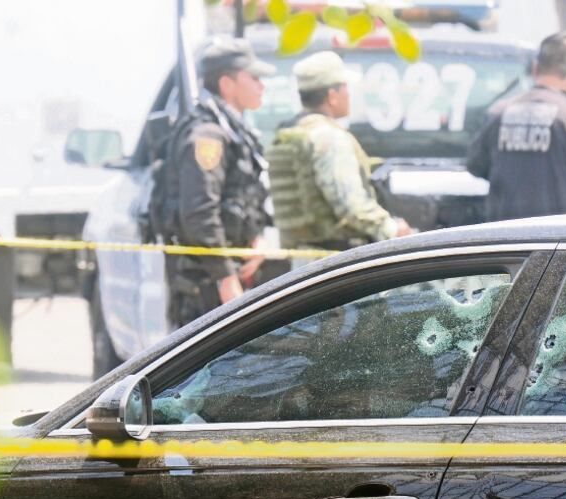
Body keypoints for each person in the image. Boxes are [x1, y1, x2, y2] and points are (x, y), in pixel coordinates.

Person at [161, 38, 275, 328]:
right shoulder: (208, 135)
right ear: (227, 84)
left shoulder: (234, 129)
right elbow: (200, 213)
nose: (262, 86)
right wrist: (226, 278)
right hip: (209, 287)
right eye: (254, 78)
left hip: (231, 278)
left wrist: (257, 240)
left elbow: (245, 195)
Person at [266, 51, 411, 255]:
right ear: (332, 97)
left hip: (301, 264)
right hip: (337, 264)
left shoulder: (290, 135)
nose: (349, 94)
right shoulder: (329, 138)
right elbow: (351, 206)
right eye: (345, 88)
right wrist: (392, 230)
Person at [467, 31, 566, 222]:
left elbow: (475, 165)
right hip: (563, 246)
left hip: (506, 245)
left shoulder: (498, 114)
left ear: (535, 68)